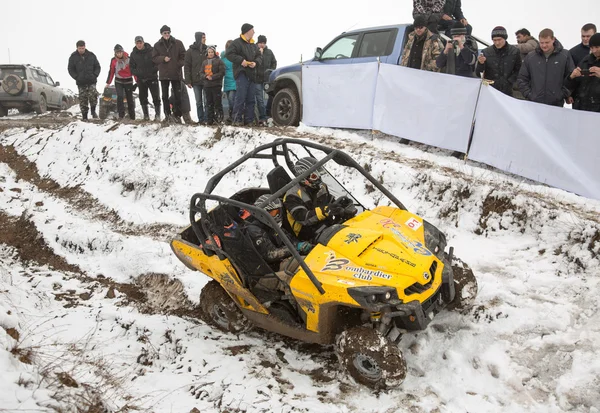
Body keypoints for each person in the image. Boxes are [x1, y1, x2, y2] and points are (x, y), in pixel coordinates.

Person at [283, 157, 356, 242]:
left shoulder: (321, 187)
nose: (319, 179)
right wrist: (326, 211)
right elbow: (304, 218)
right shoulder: (291, 195)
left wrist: (342, 206)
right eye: (314, 176)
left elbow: (330, 202)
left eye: (319, 175)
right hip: (308, 236)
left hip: (327, 227)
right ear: (304, 178)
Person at [246, 195, 312, 269]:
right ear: (262, 213)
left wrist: (301, 245)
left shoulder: (272, 225)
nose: (277, 215)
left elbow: (289, 239)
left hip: (287, 259)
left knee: (314, 251)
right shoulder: (254, 230)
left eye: (278, 211)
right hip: (273, 267)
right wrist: (296, 248)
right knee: (307, 262)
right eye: (273, 212)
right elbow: (271, 254)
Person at [517, 28, 575, 107]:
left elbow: (571, 77)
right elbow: (522, 78)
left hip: (556, 104)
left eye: (547, 42)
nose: (544, 45)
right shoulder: (531, 57)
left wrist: (561, 95)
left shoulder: (564, 55)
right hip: (534, 103)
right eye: (541, 43)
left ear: (553, 39)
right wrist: (530, 94)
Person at [226, 23, 263, 126]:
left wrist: (255, 62)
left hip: (252, 74)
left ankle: (249, 120)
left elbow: (259, 56)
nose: (254, 32)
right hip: (241, 73)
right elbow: (229, 54)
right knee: (240, 97)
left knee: (251, 98)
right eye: (252, 30)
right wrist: (241, 61)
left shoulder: (253, 45)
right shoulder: (237, 43)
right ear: (247, 31)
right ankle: (236, 120)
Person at [152, 25, 186, 123]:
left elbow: (184, 56)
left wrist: (177, 64)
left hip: (176, 73)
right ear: (161, 34)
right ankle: (167, 116)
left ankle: (177, 116)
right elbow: (154, 58)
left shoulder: (178, 43)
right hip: (164, 75)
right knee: (164, 96)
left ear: (170, 33)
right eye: (164, 33)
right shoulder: (157, 45)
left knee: (177, 96)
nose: (166, 34)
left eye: (168, 32)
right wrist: (163, 58)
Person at [475, 27, 521, 96]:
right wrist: (481, 64)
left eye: (499, 40)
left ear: (505, 38)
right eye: (494, 40)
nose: (497, 43)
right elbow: (479, 74)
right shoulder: (486, 52)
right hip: (490, 90)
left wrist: (510, 81)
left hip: (508, 90)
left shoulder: (514, 51)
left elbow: (519, 70)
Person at [565, 33, 600, 113]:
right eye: (592, 48)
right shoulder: (586, 60)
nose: (594, 50)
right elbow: (569, 85)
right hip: (581, 109)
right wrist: (571, 77)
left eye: (597, 47)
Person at [68, 40, 101, 121]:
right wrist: (76, 77)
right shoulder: (73, 57)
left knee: (93, 95)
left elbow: (97, 66)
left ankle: (93, 111)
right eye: (80, 48)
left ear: (85, 47)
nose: (81, 50)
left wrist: (95, 75)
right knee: (83, 99)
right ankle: (84, 116)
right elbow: (70, 69)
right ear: (77, 48)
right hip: (81, 82)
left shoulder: (91, 55)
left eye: (83, 48)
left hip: (91, 80)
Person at [130, 36, 161, 121]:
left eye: (140, 43)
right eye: (137, 43)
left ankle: (157, 115)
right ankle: (146, 116)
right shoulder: (133, 54)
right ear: (135, 44)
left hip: (152, 78)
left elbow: (158, 62)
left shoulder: (152, 50)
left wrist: (153, 70)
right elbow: (131, 68)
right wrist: (139, 73)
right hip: (141, 79)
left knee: (156, 97)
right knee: (143, 97)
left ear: (143, 42)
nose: (139, 45)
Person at [105, 44, 136, 120]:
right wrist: (108, 82)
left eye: (120, 52)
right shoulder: (113, 60)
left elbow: (134, 70)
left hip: (128, 81)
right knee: (120, 97)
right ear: (115, 53)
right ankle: (121, 116)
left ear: (123, 51)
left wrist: (137, 81)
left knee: (129, 98)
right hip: (118, 81)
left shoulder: (129, 59)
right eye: (117, 52)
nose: (119, 54)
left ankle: (132, 117)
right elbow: (112, 71)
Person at [184, 32, 208, 124]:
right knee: (198, 102)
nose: (204, 39)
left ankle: (207, 119)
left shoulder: (208, 49)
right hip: (195, 80)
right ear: (198, 38)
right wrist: (188, 80)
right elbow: (187, 66)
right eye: (203, 37)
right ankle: (201, 119)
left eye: (205, 37)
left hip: (206, 79)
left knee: (207, 101)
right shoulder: (190, 51)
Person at [255, 35, 277, 125]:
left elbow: (274, 62)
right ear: (257, 43)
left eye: (263, 43)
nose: (262, 45)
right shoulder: (254, 51)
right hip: (257, 78)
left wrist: (271, 71)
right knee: (259, 98)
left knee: (272, 95)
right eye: (260, 43)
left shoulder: (269, 52)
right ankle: (262, 117)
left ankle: (269, 113)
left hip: (267, 78)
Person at [200, 46, 225, 125]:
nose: (210, 54)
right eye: (209, 52)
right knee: (209, 103)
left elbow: (222, 73)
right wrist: (205, 76)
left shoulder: (219, 61)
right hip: (207, 85)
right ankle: (210, 119)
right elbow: (201, 73)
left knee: (217, 102)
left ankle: (219, 118)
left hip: (216, 85)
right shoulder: (204, 62)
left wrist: (213, 77)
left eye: (212, 52)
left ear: (214, 53)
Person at [221, 40, 236, 122]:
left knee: (231, 99)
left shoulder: (235, 56)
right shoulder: (223, 57)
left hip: (234, 80)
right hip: (226, 80)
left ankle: (233, 115)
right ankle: (230, 116)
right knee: (228, 100)